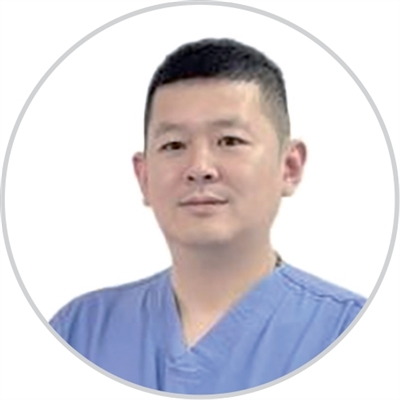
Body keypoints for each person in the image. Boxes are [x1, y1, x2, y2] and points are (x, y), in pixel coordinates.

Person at [49, 38, 366, 395]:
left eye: (229, 141)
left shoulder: (353, 331)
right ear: (144, 177)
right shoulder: (79, 332)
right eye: (174, 145)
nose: (199, 167)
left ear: (289, 167)